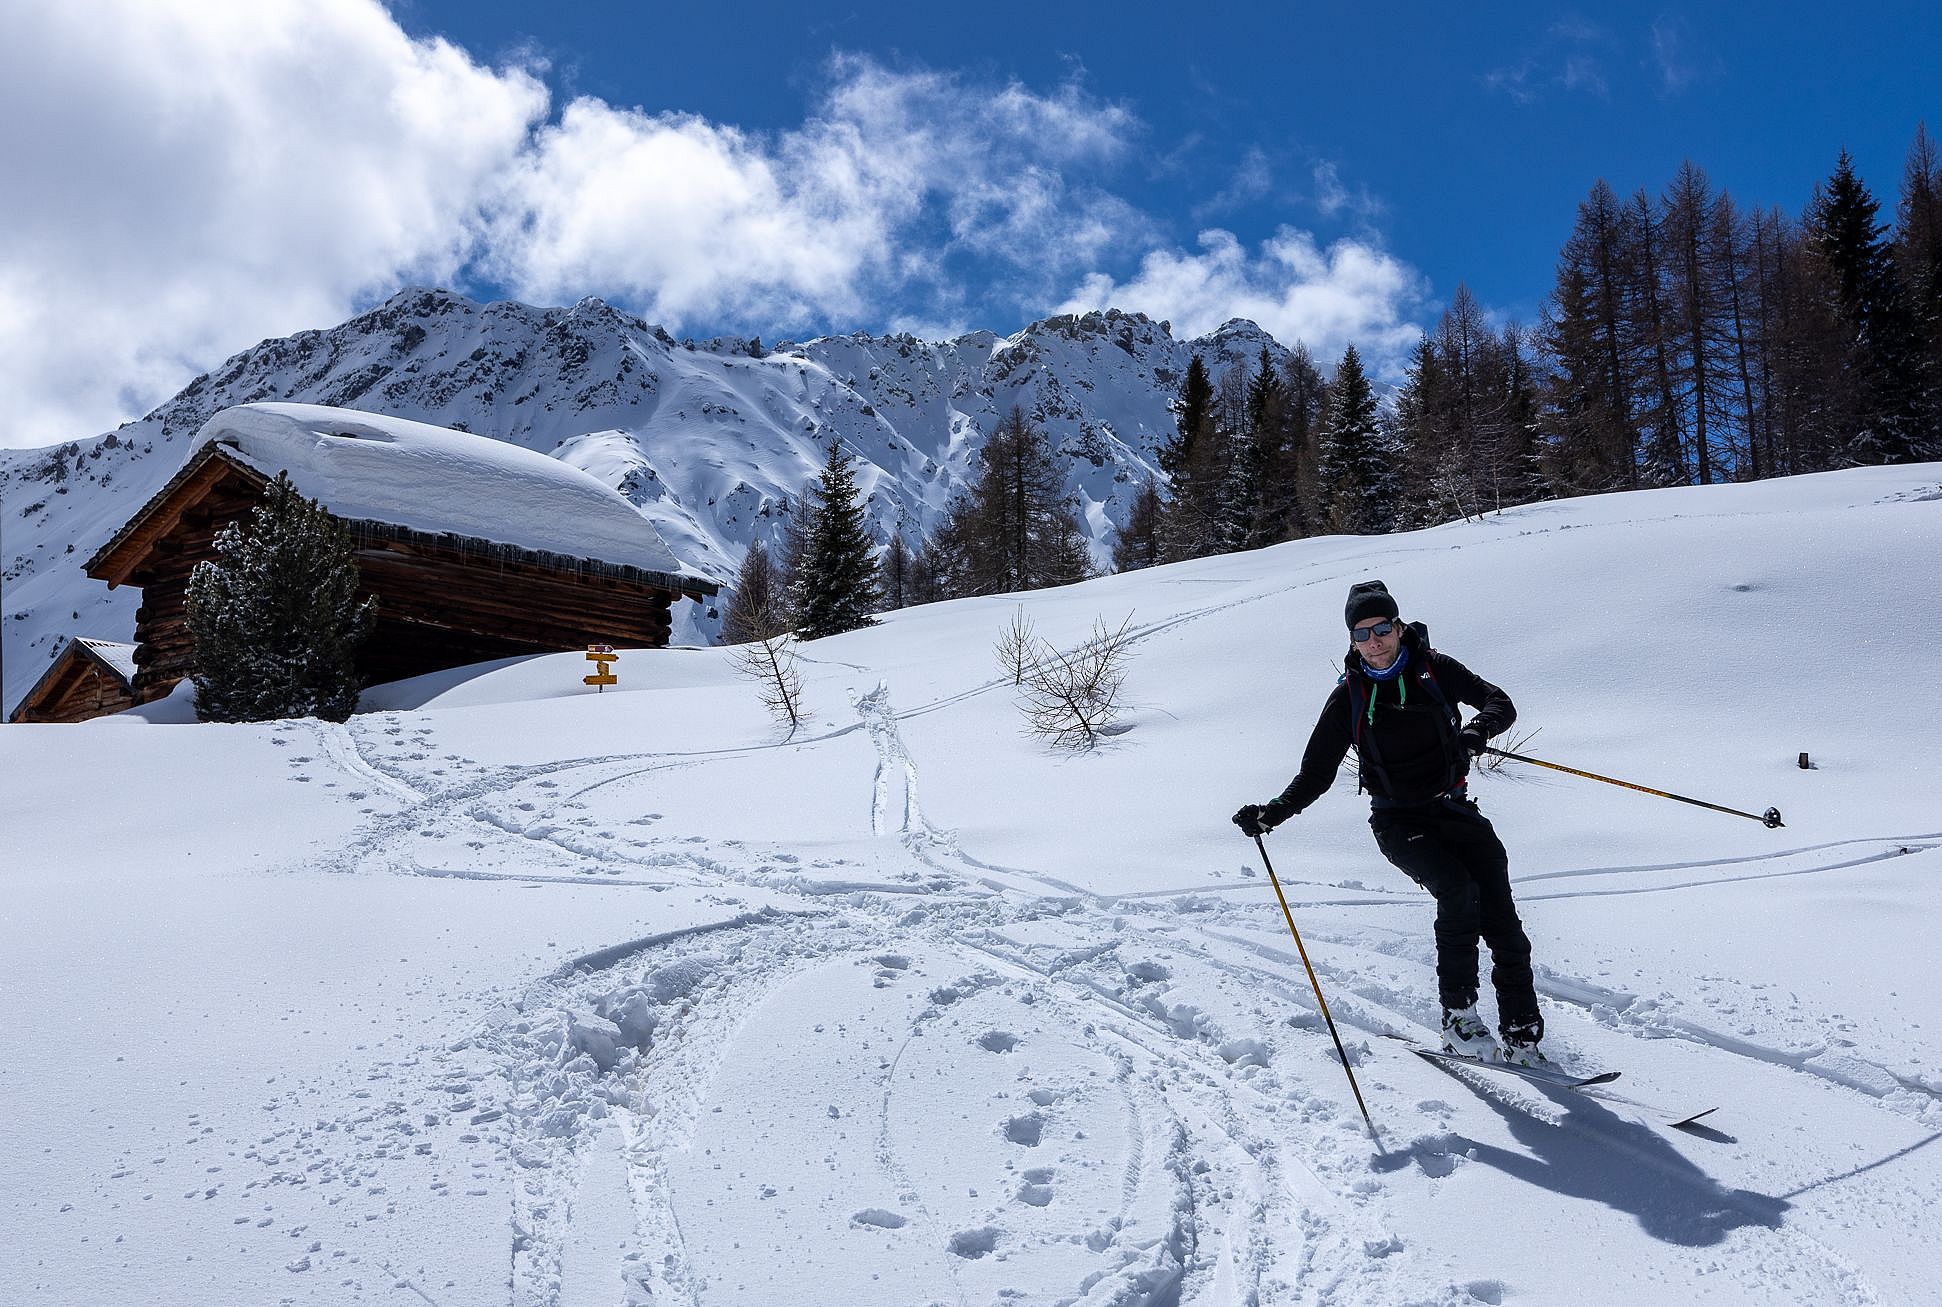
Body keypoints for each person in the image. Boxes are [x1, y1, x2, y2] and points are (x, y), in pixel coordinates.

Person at [1232, 580, 1549, 1066]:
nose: (1374, 640)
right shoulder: (1348, 699)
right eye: (1362, 634)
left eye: (1382, 628)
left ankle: (1522, 1030)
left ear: (1399, 627)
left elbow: (1499, 702)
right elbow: (1316, 773)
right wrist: (1270, 813)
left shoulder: (1434, 668)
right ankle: (1459, 1017)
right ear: (1352, 641)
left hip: (1456, 808)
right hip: (1398, 821)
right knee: (1458, 890)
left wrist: (1475, 732)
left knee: (1502, 916)